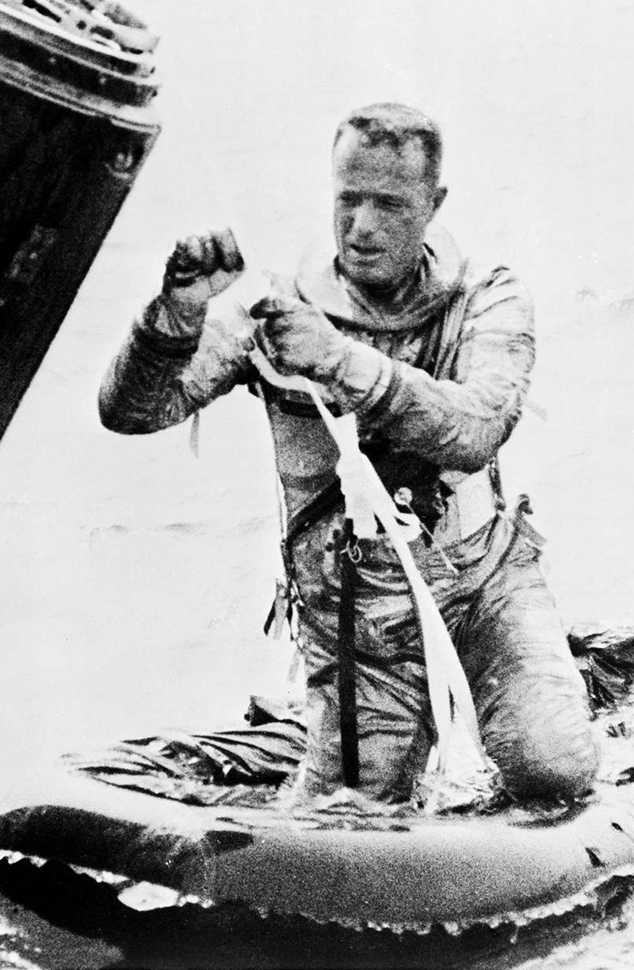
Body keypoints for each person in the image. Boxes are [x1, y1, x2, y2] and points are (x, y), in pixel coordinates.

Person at [99, 102, 598, 805]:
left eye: (389, 204)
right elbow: (132, 413)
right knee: (349, 813)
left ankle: (563, 684)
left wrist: (338, 360)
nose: (362, 227)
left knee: (554, 768)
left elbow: (477, 428)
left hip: (485, 588)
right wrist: (174, 315)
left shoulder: (485, 297)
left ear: (433, 204)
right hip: (358, 623)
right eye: (348, 199)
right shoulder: (277, 309)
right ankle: (308, 730)